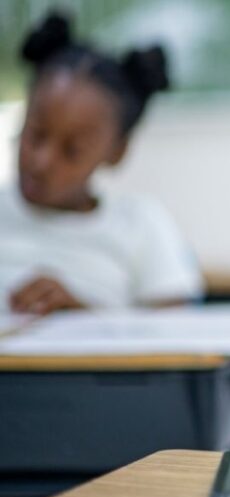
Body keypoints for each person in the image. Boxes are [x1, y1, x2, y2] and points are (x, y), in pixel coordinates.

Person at [0, 13, 203, 314]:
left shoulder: (139, 225)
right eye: (35, 134)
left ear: (117, 152)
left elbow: (176, 335)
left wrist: (82, 317)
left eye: (72, 151)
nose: (41, 161)